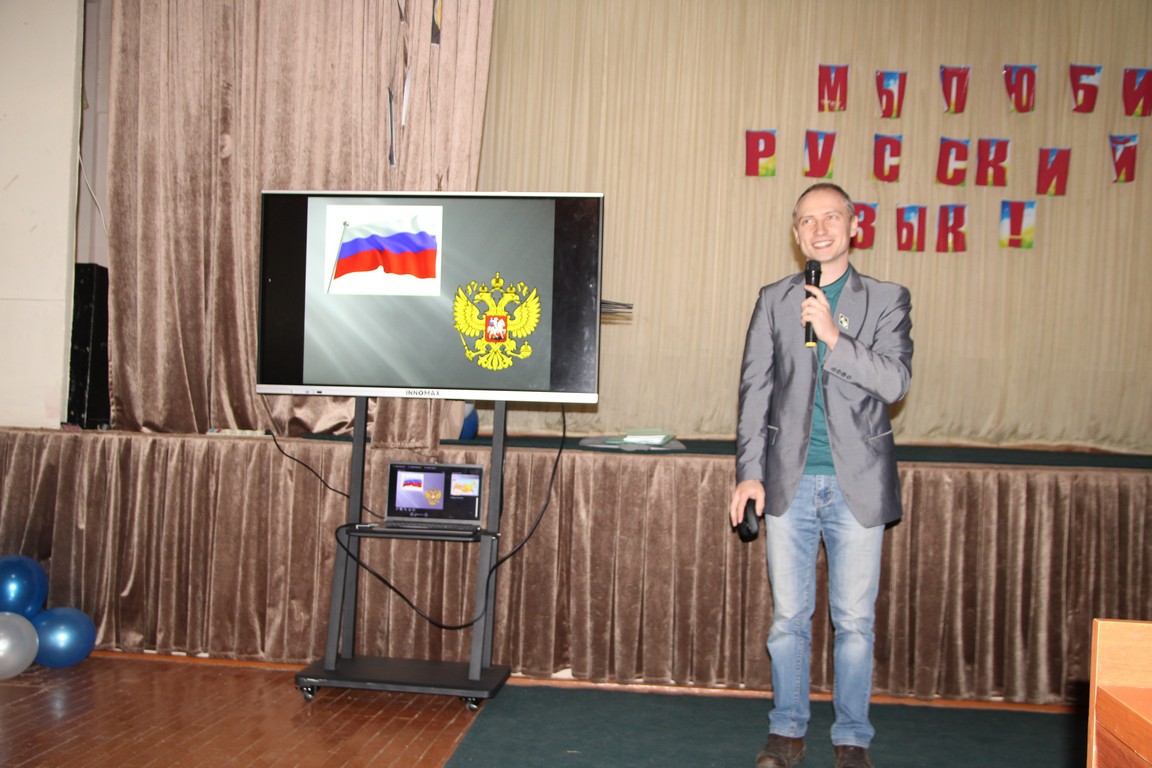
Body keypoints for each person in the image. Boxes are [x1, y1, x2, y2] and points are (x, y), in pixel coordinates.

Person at [729, 183, 913, 768]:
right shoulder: (774, 299)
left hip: (857, 485)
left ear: (854, 226)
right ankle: (786, 730)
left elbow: (895, 382)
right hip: (789, 484)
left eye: (832, 217)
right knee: (788, 620)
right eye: (808, 220)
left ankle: (852, 738)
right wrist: (749, 473)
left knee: (854, 622)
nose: (820, 228)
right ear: (796, 233)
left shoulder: (886, 298)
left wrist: (833, 335)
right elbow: (755, 391)